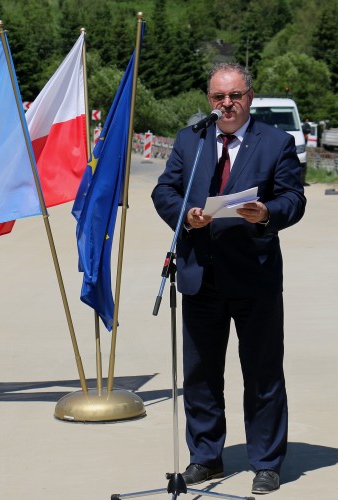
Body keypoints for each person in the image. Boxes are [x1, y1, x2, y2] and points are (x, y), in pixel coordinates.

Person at [151, 62, 306, 495]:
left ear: (249, 97)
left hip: (254, 276)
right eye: (219, 97)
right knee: (200, 374)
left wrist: (268, 213)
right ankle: (205, 456)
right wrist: (187, 216)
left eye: (235, 96)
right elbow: (164, 191)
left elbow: (294, 198)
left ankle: (267, 462)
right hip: (200, 274)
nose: (227, 104)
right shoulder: (191, 140)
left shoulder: (276, 142)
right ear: (209, 100)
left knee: (262, 372)